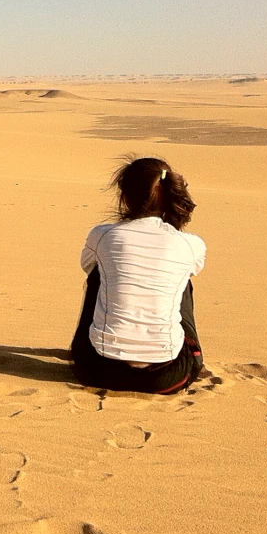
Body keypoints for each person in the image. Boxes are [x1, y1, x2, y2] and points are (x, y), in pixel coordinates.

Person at [69, 156, 205, 394]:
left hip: (97, 371)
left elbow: (87, 266)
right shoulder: (190, 244)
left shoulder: (103, 235)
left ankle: (93, 344)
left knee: (99, 272)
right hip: (166, 377)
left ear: (124, 197)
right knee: (181, 278)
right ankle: (182, 349)